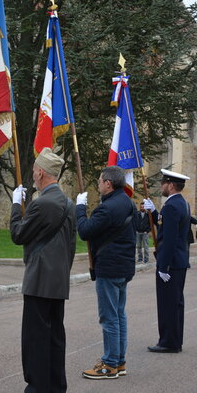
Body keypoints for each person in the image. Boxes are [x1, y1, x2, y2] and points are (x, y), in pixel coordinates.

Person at [10, 147, 76, 393]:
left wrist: (17, 206)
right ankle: (56, 386)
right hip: (58, 281)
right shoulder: (68, 203)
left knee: (35, 339)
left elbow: (18, 234)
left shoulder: (42, 203)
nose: (33, 174)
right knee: (55, 338)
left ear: (41, 172)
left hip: (39, 281)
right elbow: (70, 246)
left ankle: (37, 387)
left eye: (35, 170)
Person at [76, 166, 136, 380]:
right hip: (124, 267)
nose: (98, 184)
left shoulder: (107, 208)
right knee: (119, 315)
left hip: (110, 269)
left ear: (108, 184)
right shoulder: (127, 202)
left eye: (100, 181)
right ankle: (118, 361)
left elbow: (84, 231)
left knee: (109, 317)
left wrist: (80, 209)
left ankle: (110, 365)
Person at [144, 169, 191, 353]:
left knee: (167, 304)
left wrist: (163, 266)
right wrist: (154, 213)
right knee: (176, 303)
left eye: (163, 183)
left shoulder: (171, 206)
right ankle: (174, 340)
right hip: (179, 262)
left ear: (170, 185)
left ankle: (168, 343)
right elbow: (167, 227)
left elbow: (169, 239)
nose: (161, 186)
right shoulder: (182, 203)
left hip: (170, 264)